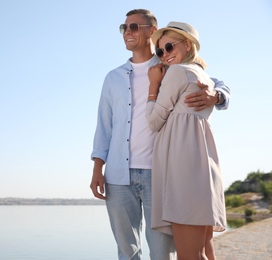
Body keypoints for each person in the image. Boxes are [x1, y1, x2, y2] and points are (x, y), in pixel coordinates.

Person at [89, 9, 230, 260]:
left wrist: (217, 96)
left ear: (150, 32)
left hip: (161, 174)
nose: (127, 32)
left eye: (134, 27)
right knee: (126, 251)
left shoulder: (171, 66)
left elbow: (216, 82)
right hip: (118, 176)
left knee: (162, 253)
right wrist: (97, 168)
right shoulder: (113, 78)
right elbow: (104, 126)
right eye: (124, 28)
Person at [146, 21, 227, 259]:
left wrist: (153, 86)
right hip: (203, 165)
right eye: (160, 51)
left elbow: (153, 122)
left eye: (169, 47)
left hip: (183, 169)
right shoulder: (204, 77)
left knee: (189, 255)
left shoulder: (178, 72)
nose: (165, 55)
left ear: (188, 45)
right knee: (205, 250)